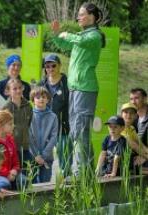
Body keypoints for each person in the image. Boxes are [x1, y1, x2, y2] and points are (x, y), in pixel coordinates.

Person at [51, 2, 106, 172]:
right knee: (75, 132)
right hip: (75, 89)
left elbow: (78, 40)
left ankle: (84, 174)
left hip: (85, 89)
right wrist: (56, 34)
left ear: (92, 16)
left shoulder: (94, 36)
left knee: (82, 132)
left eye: (81, 14)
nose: (78, 17)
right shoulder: (83, 37)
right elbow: (64, 45)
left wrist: (67, 33)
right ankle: (80, 172)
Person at [39, 53, 70, 177]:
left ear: (60, 66)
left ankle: (67, 180)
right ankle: (44, 184)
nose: (50, 69)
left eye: (53, 65)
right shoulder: (42, 84)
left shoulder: (67, 83)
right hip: (46, 127)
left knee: (65, 156)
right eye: (47, 66)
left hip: (63, 126)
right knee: (45, 157)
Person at [29, 87, 58, 183]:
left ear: (48, 99)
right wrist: (36, 155)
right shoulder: (29, 115)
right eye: (38, 97)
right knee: (31, 184)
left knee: (45, 184)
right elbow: (28, 137)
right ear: (33, 100)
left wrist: (44, 155)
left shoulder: (53, 117)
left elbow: (54, 137)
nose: (41, 99)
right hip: (32, 157)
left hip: (47, 158)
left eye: (43, 97)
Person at [0, 110, 24, 190]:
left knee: (24, 182)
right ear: (1, 126)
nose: (13, 126)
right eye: (10, 124)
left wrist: (14, 171)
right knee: (4, 184)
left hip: (11, 173)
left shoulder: (11, 140)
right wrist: (7, 174)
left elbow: (16, 161)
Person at [3, 78, 33, 166]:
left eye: (20, 88)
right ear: (8, 91)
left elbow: (31, 124)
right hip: (12, 147)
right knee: (15, 175)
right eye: (15, 89)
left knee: (27, 173)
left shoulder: (28, 106)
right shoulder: (6, 108)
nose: (18, 90)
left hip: (26, 147)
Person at [120, 103, 148, 171]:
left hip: (130, 157)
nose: (129, 115)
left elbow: (140, 143)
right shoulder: (119, 128)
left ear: (136, 116)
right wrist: (146, 156)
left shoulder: (131, 128)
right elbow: (134, 146)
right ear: (121, 114)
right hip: (120, 160)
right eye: (126, 112)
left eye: (131, 113)